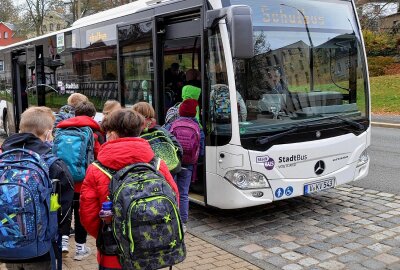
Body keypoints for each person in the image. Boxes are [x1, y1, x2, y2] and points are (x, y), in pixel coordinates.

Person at [80, 109, 179, 270]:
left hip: (113, 254)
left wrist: (109, 235)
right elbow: (174, 199)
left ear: (111, 133)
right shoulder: (158, 164)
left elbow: (88, 215)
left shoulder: (96, 169)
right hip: (152, 251)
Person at [1, 106, 74, 270]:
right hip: (41, 249)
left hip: (7, 244)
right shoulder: (53, 165)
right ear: (48, 133)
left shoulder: (3, 159)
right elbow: (65, 206)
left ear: (20, 129)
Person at [56, 101, 104, 260]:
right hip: (83, 183)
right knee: (81, 214)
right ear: (92, 116)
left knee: (63, 211)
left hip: (62, 181)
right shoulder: (95, 133)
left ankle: (62, 243)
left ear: (74, 114)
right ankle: (80, 249)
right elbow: (100, 157)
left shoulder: (61, 130)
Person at [165, 99, 205, 232]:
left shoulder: (172, 124)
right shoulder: (198, 127)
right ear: (194, 113)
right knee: (183, 194)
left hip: (174, 163)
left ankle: (171, 218)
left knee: (171, 190)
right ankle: (182, 223)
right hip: (188, 165)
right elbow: (201, 148)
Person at [132, 102, 183, 175]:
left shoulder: (134, 134)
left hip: (150, 173)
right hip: (170, 170)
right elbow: (178, 147)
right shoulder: (161, 130)